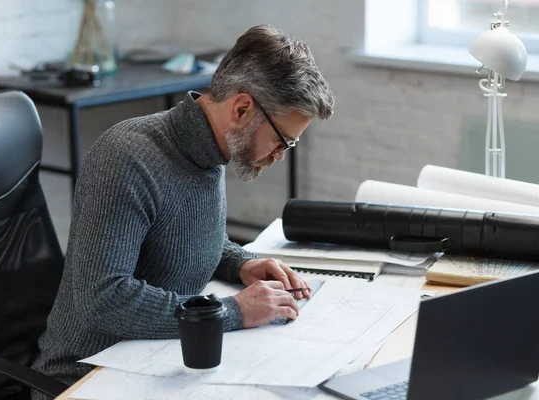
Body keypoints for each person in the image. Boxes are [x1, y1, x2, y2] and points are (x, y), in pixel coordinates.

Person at [31, 24, 335, 395]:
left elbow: (181, 237)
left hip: (157, 357)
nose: (279, 156)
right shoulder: (127, 158)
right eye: (281, 141)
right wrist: (232, 312)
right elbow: (103, 298)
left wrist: (241, 262)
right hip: (87, 377)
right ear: (241, 109)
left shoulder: (210, 151)